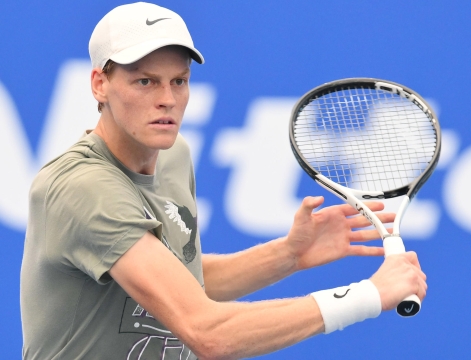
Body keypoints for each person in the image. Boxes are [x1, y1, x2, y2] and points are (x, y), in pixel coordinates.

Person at [20, 2, 427, 359]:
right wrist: (369, 295)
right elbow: (208, 332)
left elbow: (184, 283)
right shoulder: (82, 189)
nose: (167, 99)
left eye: (178, 81)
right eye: (145, 81)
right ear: (100, 84)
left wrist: (286, 255)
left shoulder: (174, 155)